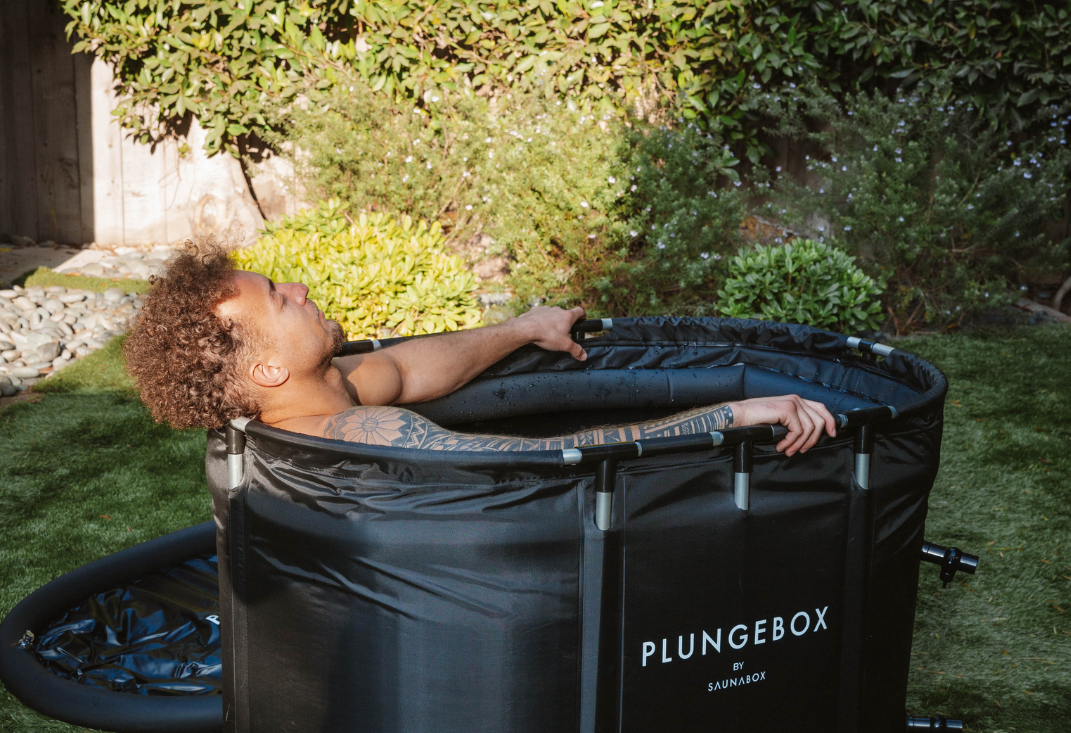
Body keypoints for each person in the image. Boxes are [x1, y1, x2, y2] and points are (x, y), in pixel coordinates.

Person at [124, 241, 837, 454]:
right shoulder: (363, 437)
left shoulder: (325, 390)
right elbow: (557, 460)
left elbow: (405, 368)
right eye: (279, 298)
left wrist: (523, 329)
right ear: (268, 367)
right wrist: (732, 415)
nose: (300, 287)